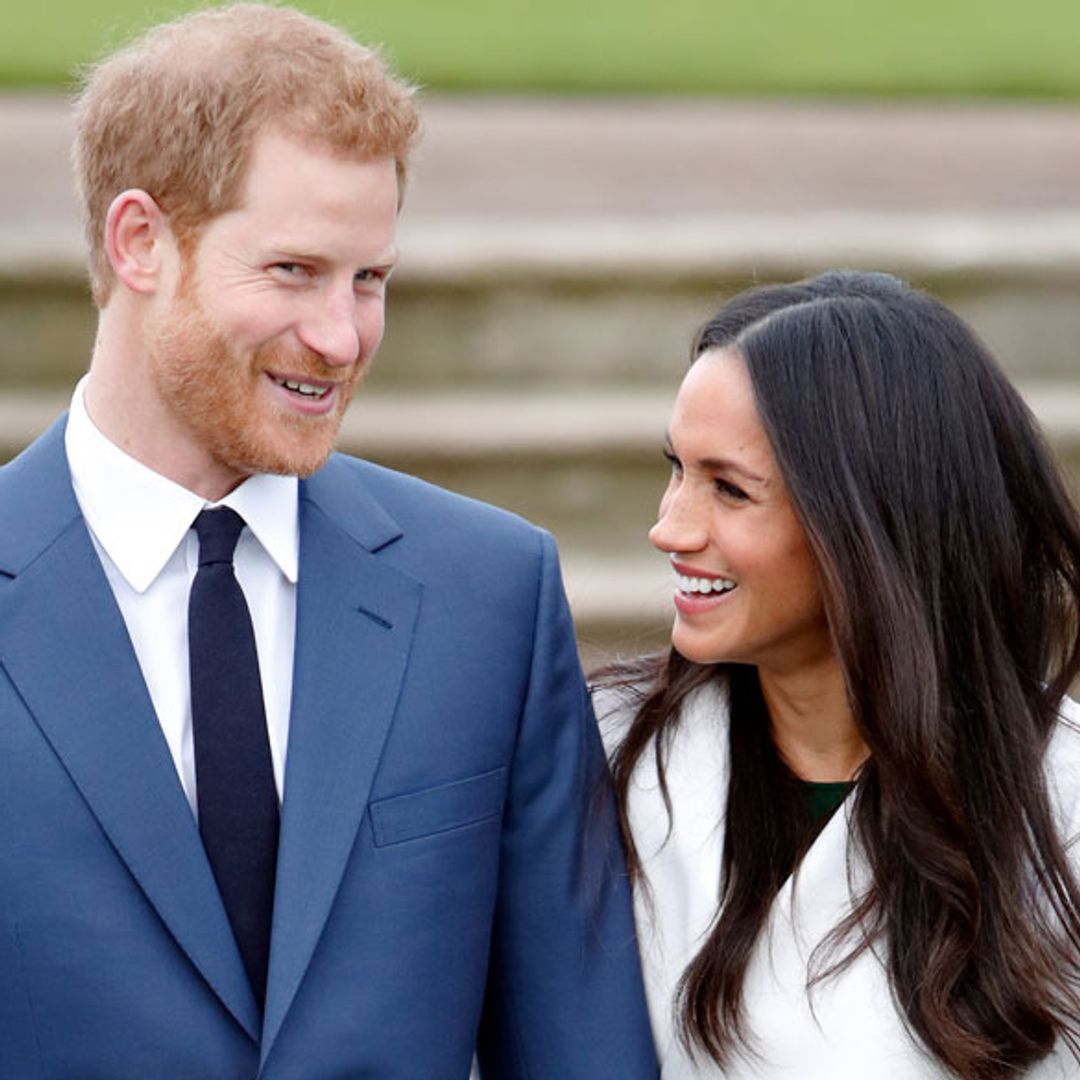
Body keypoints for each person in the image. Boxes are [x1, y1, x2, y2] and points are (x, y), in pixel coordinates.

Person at [0, 6, 657, 1078]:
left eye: (370, 279)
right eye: (296, 271)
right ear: (140, 242)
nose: (343, 337)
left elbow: (580, 1050)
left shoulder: (490, 596)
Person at [595, 270, 1080, 1078]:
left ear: (867, 525)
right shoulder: (608, 753)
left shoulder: (1061, 803)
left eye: (729, 489)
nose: (668, 526)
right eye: (677, 468)